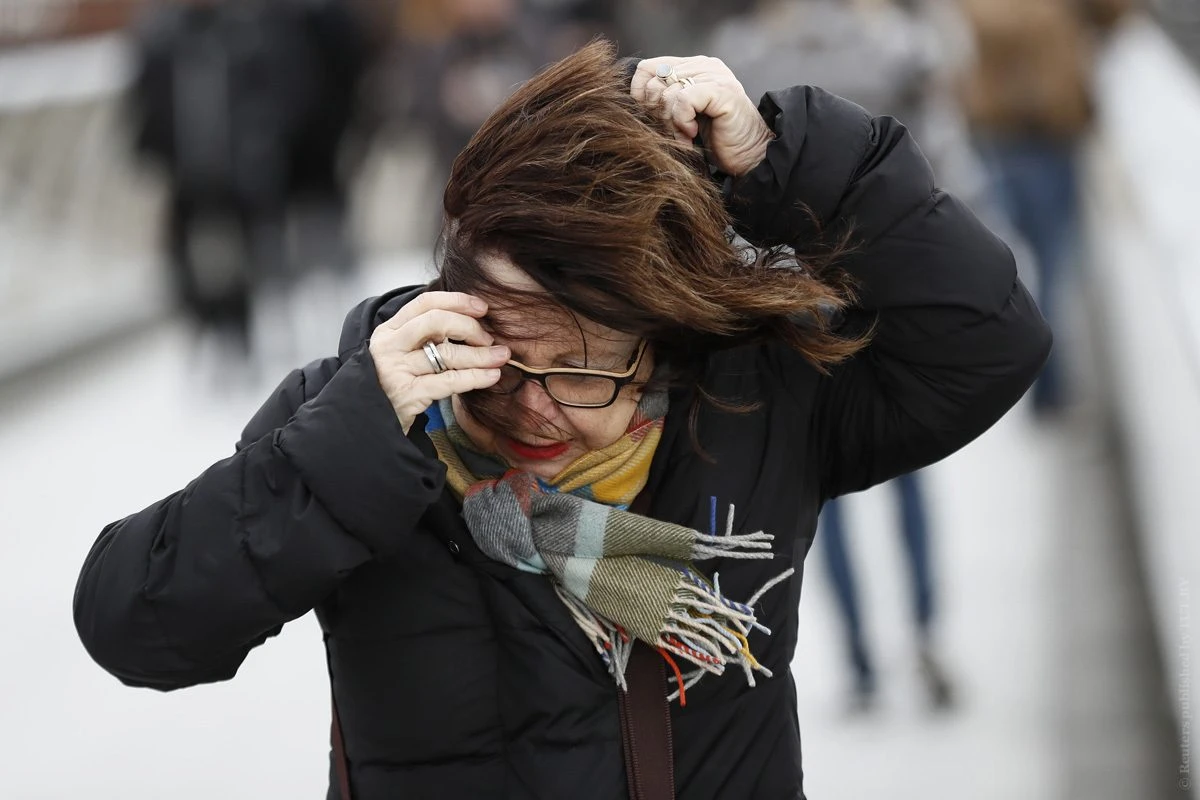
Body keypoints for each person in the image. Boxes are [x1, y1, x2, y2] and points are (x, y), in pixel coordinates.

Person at [74, 40, 1050, 798]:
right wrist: (350, 440)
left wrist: (778, 158)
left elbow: (987, 340)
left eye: (586, 370)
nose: (536, 404)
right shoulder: (367, 423)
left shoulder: (749, 400)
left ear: (658, 341)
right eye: (504, 356)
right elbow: (135, 622)